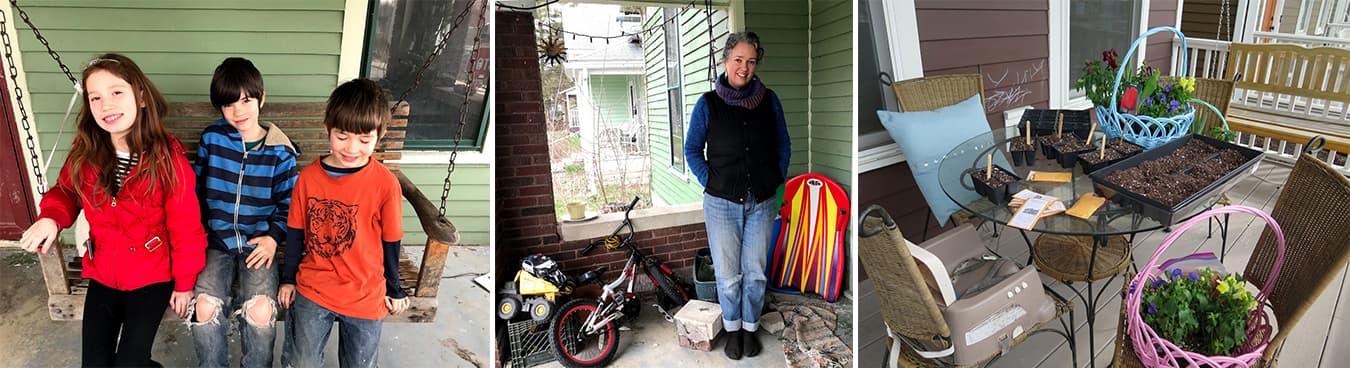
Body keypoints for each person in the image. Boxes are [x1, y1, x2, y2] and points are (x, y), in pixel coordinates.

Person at [17, 53, 206, 366]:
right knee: (94, 363)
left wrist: (185, 283)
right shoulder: (86, 152)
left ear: (141, 98)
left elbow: (186, 228)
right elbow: (66, 191)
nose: (106, 105)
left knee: (131, 363)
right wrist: (51, 217)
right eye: (95, 97)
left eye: (116, 92)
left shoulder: (168, 162)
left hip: (152, 275)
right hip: (104, 270)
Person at [278, 79, 409, 368]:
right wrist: (288, 279)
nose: (351, 148)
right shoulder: (308, 179)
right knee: (302, 362)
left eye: (364, 140)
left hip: (365, 291)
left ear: (379, 136)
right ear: (327, 129)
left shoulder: (385, 184)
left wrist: (394, 288)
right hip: (315, 286)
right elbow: (296, 234)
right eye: (342, 136)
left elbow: (391, 241)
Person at [683, 31, 791, 360]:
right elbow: (691, 149)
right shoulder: (708, 104)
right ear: (726, 61)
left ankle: (749, 328)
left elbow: (783, 144)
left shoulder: (769, 101)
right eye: (738, 60)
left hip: (761, 201)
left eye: (751, 61)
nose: (744, 68)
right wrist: (711, 180)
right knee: (728, 275)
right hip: (721, 204)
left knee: (755, 272)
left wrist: (776, 179)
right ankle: (732, 329)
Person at [188, 57, 299, 367]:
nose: (238, 111)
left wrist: (274, 238)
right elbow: (196, 191)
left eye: (246, 101)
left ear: (261, 98)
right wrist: (196, 235)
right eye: (229, 104)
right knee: (205, 308)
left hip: (258, 244)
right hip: (216, 241)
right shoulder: (213, 139)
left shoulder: (280, 151)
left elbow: (289, 205)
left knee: (261, 310)